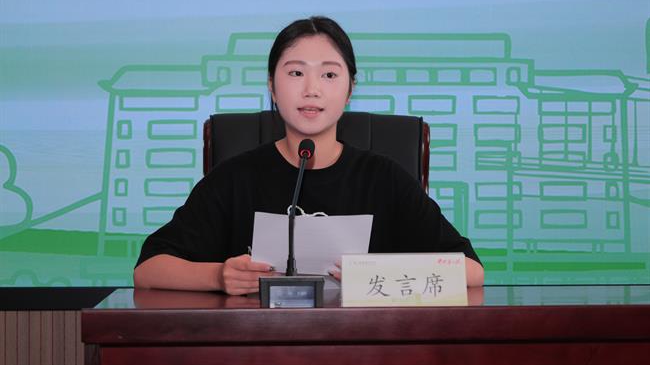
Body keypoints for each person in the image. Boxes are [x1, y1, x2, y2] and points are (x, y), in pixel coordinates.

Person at [134, 16, 484, 295]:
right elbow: (148, 270)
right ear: (272, 86)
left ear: (350, 90)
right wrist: (218, 276)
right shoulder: (235, 178)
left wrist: (377, 274)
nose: (312, 89)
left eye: (329, 74)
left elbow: (471, 271)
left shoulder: (384, 178)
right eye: (296, 73)